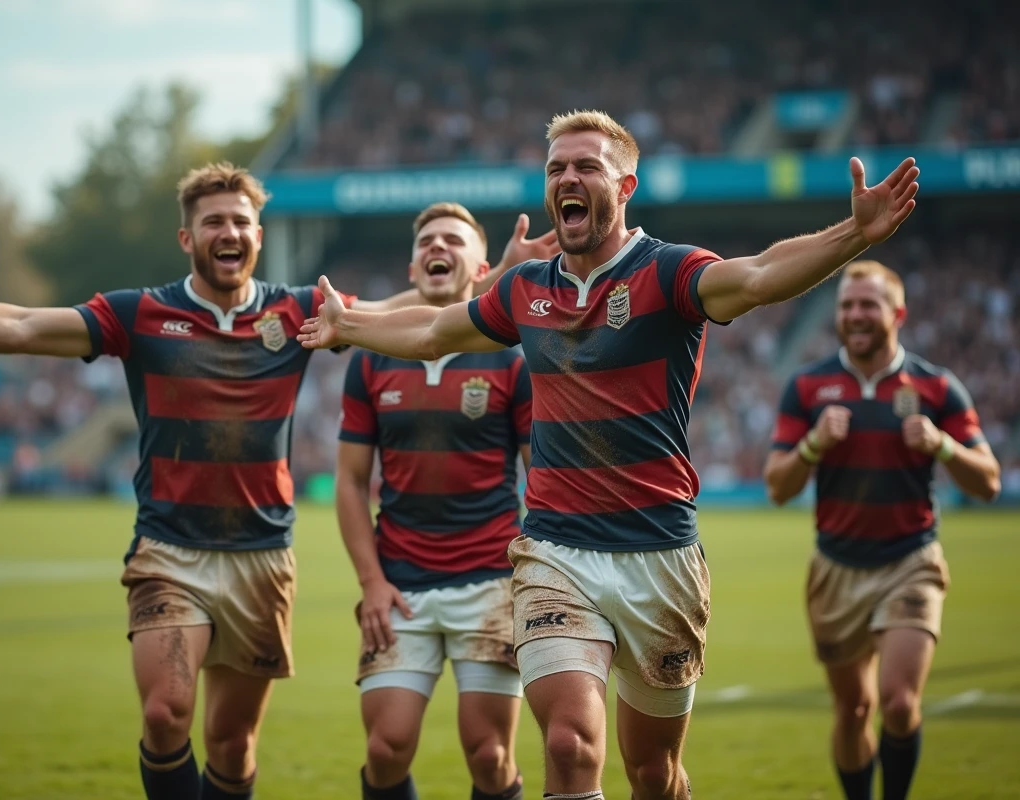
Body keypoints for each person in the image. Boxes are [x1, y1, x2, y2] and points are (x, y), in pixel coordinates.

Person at [0, 162, 556, 800]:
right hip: (170, 548)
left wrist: (497, 276)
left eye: (241, 220)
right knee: (165, 712)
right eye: (213, 222)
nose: (229, 231)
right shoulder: (141, 314)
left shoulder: (295, 313)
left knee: (233, 748)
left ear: (258, 236)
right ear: (188, 238)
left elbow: (415, 310)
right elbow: (19, 325)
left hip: (263, 559)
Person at [296, 110, 922, 800]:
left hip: (659, 555)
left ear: (624, 185)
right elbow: (437, 328)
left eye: (586, 166)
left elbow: (758, 277)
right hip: (556, 552)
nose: (568, 177)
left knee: (654, 773)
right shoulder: (525, 288)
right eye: (556, 168)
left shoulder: (669, 272)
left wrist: (854, 234)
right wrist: (349, 324)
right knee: (568, 745)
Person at [763, 260, 1000, 800]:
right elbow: (777, 486)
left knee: (896, 700)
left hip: (909, 561)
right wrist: (813, 445)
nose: (855, 315)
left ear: (898, 313)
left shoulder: (938, 387)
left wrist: (942, 445)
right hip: (836, 567)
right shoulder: (808, 386)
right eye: (847, 305)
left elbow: (988, 482)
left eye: (868, 304)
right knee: (854, 709)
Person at [337, 202, 534, 800]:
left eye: (452, 239)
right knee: (385, 748)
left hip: (490, 581)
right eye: (426, 240)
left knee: (490, 755)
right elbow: (348, 482)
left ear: (481, 266)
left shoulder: (511, 358)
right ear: (412, 266)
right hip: (401, 585)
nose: (437, 247)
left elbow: (541, 474)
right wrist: (371, 582)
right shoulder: (372, 357)